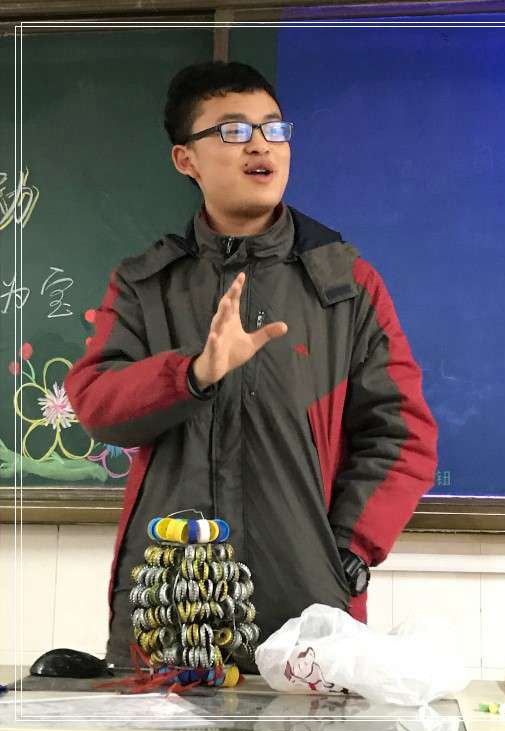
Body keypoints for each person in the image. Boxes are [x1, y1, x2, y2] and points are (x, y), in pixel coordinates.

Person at [65, 61, 438, 673]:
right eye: (233, 131)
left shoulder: (344, 285)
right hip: (170, 594)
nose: (261, 145)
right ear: (186, 160)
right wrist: (192, 374)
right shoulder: (145, 285)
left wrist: (349, 551)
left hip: (306, 600)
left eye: (274, 128)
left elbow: (403, 433)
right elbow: (97, 403)